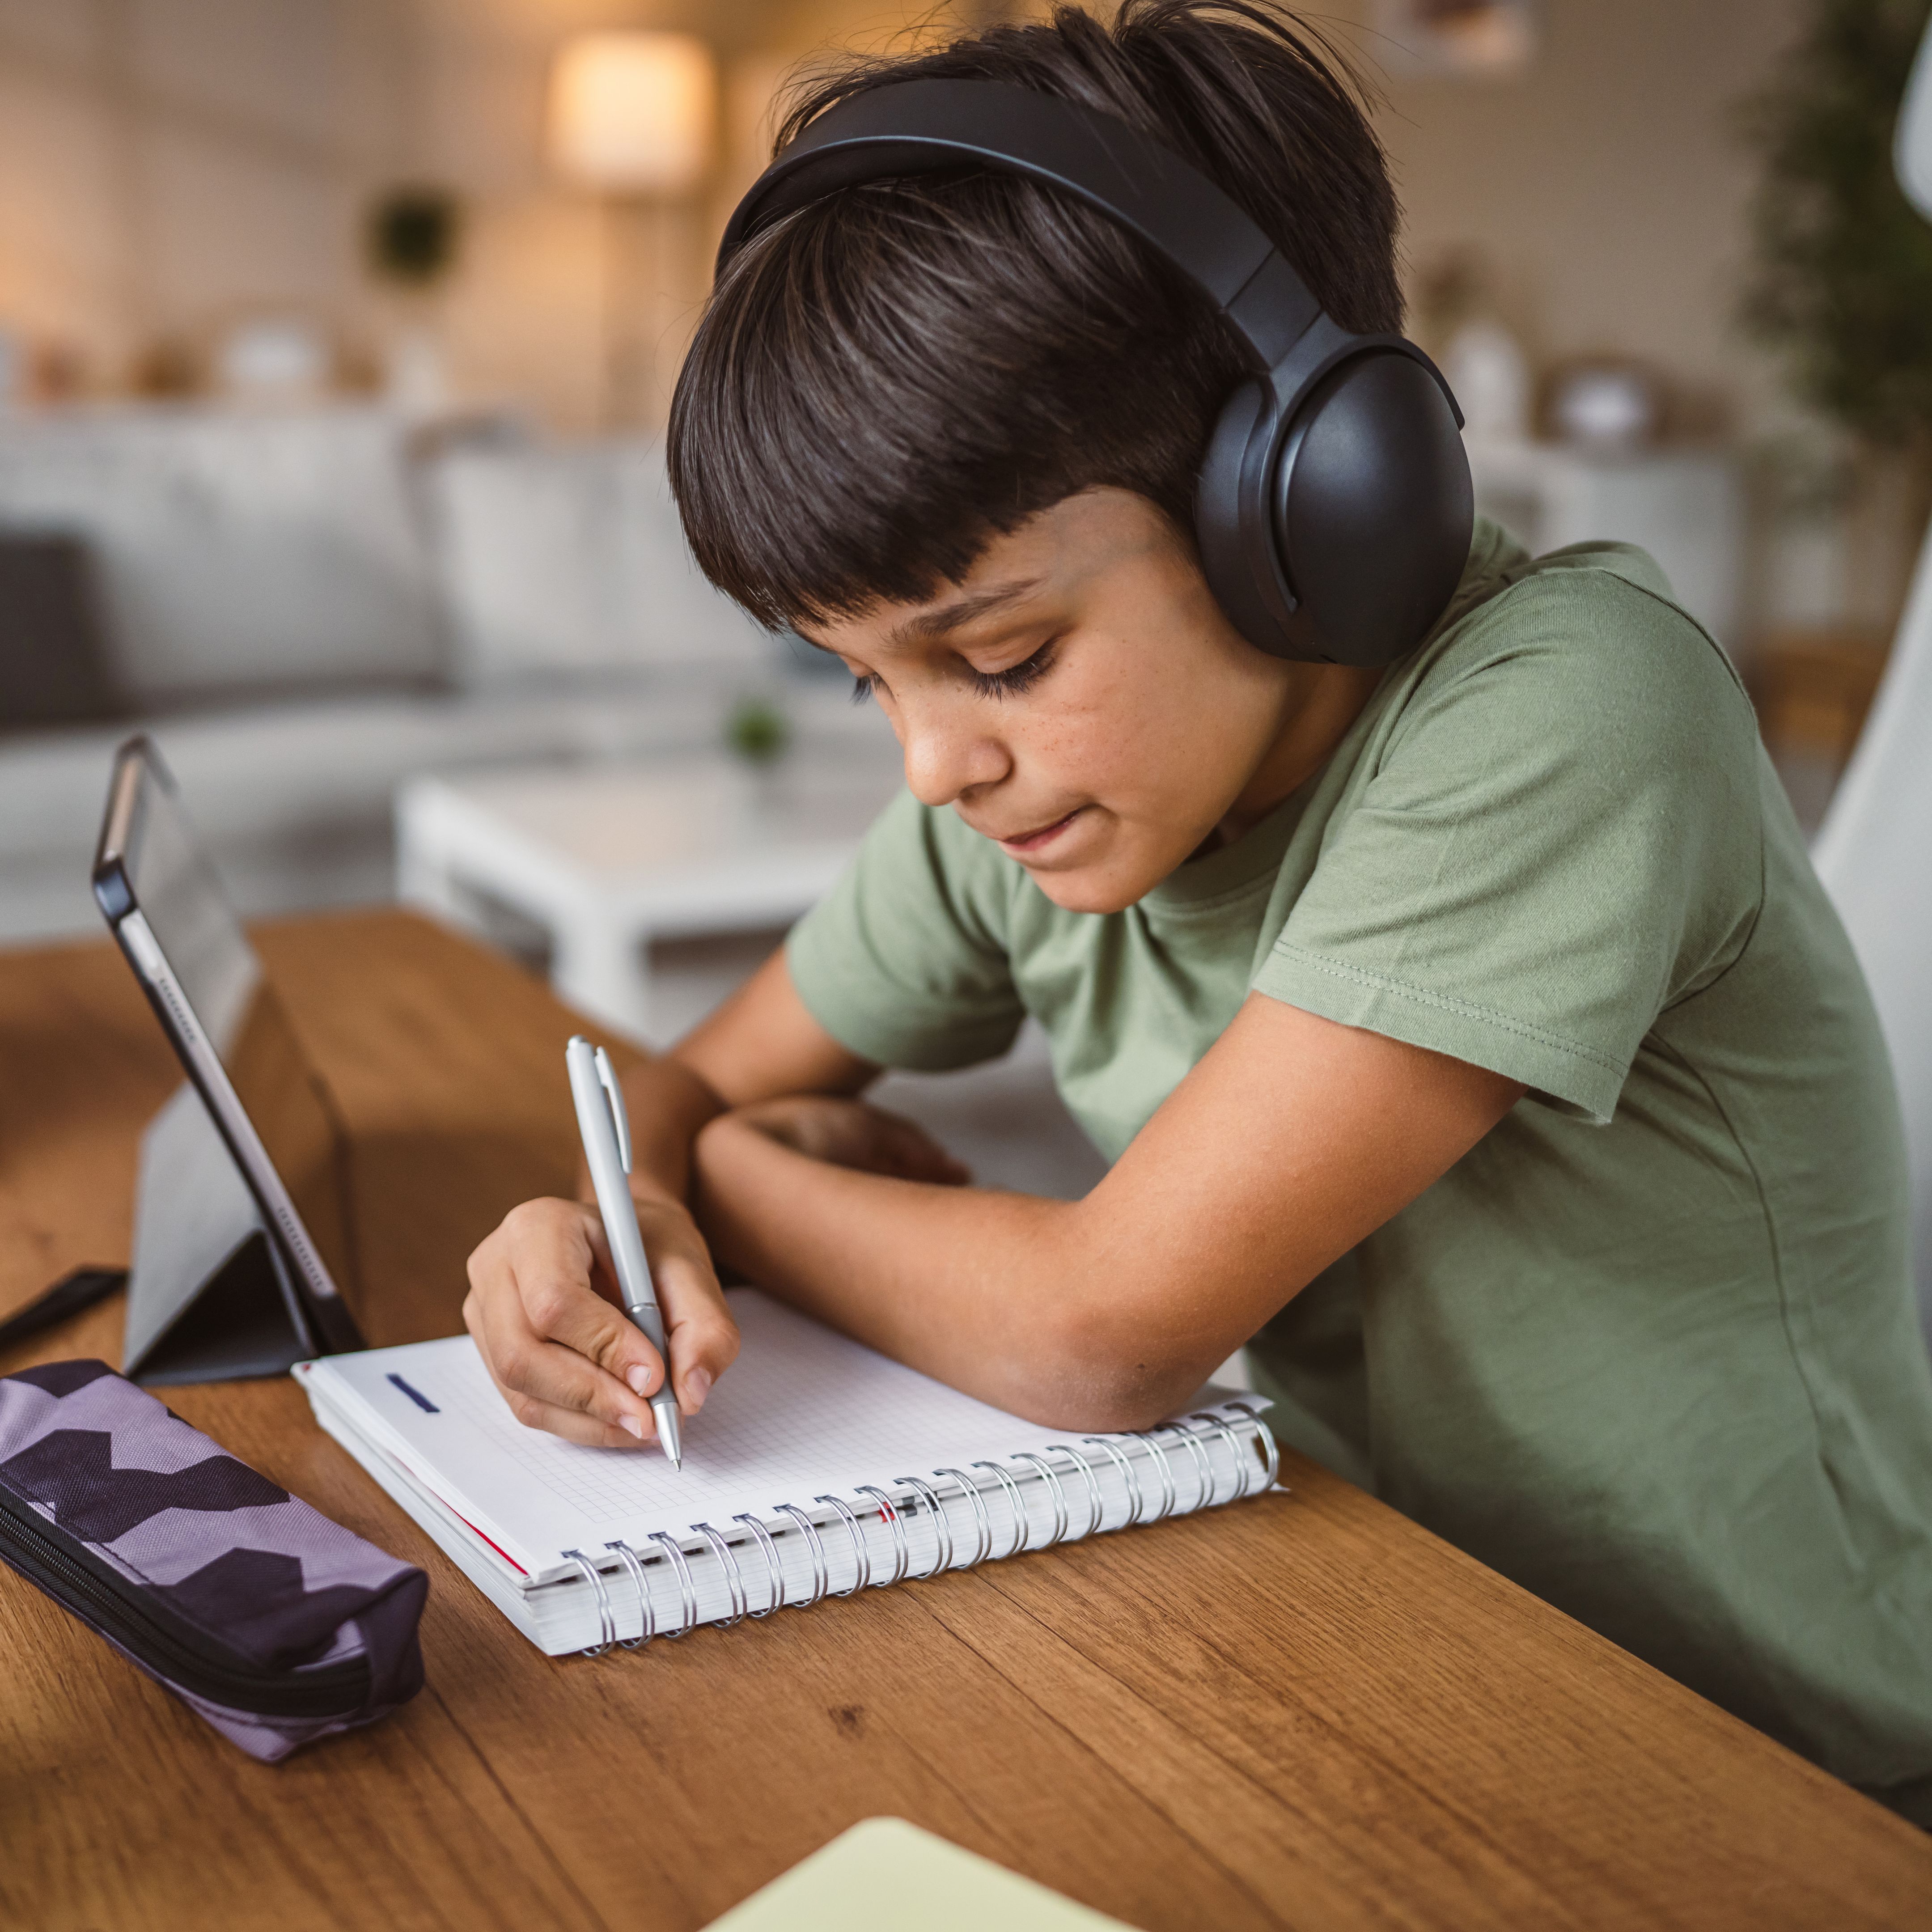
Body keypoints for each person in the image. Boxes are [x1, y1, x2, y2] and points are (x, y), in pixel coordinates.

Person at [462, 0, 1932, 1820]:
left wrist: (743, 1187)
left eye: (1001, 653)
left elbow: (1106, 1333)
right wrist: (605, 1213)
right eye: (870, 685)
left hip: (1767, 1764)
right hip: (1373, 1640)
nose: (935, 766)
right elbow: (683, 1081)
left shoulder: (1568, 708)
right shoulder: (1040, 802)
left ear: (1314, 505)